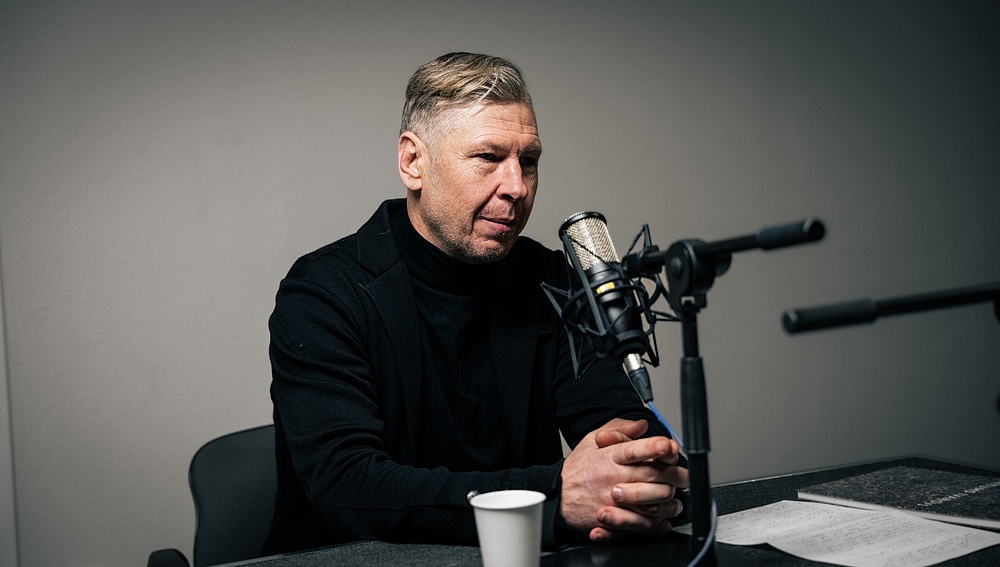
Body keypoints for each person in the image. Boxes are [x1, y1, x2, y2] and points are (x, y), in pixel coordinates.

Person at [263, 52, 688, 556]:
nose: (517, 187)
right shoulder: (323, 292)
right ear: (413, 162)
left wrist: (642, 472)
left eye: (528, 161)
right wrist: (554, 495)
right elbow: (349, 487)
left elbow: (623, 431)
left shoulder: (551, 278)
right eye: (488, 157)